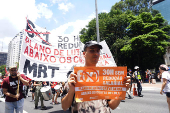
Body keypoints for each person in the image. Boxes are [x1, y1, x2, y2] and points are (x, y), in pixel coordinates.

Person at [61, 41, 131, 113]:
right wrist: (71, 90)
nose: (96, 53)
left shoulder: (105, 76)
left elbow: (112, 106)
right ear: (84, 54)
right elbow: (64, 106)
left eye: (98, 51)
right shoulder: (75, 76)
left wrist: (122, 91)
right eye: (92, 50)